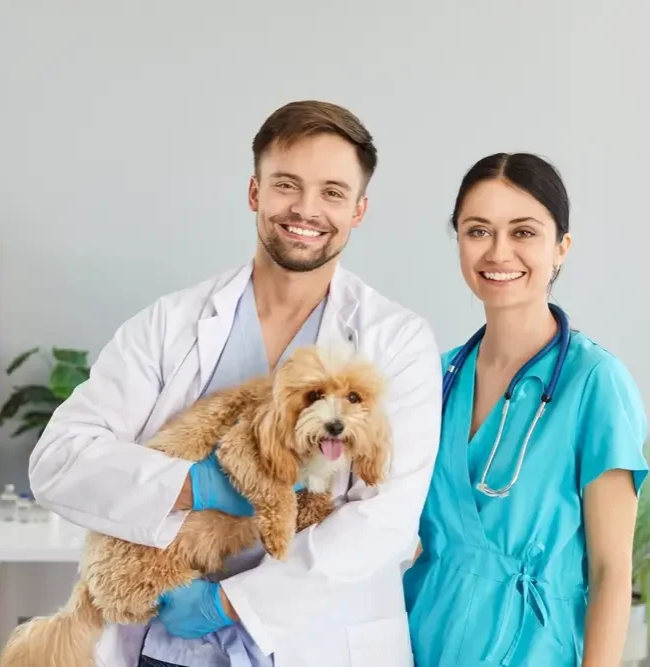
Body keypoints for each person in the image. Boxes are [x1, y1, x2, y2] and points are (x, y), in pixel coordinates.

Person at [28, 100, 442, 667]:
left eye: (332, 192)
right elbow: (57, 460)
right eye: (286, 185)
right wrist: (195, 487)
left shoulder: (396, 340)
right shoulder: (170, 325)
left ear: (359, 210)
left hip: (314, 641)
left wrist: (230, 601)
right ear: (255, 193)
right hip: (169, 647)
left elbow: (388, 519)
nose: (306, 209)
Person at [403, 152, 649, 667]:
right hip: (419, 636)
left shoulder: (595, 383)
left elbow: (610, 571)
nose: (498, 252)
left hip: (534, 648)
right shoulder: (435, 375)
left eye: (523, 232)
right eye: (477, 231)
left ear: (561, 247)